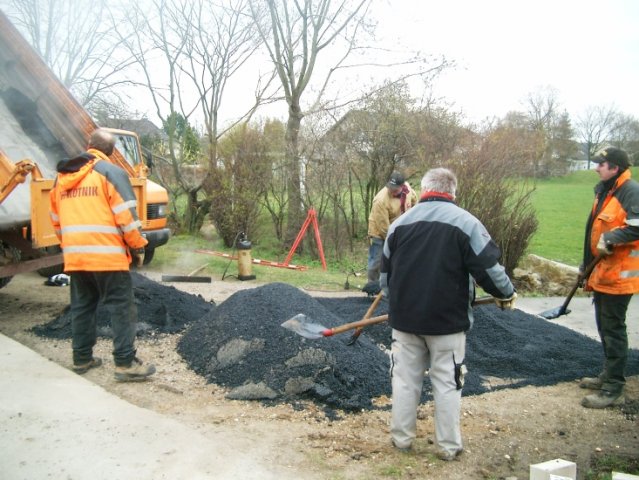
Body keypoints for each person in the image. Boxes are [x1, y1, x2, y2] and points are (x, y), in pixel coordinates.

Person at [380, 167, 516, 460]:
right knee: (447, 382)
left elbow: (384, 279)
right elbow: (489, 268)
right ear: (453, 192)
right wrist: (506, 293)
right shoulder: (466, 223)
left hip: (404, 321)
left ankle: (401, 440)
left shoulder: (399, 225)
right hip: (447, 322)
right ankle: (448, 447)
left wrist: (397, 304)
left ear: (424, 189)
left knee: (404, 380)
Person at [49, 128, 156, 382]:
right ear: (111, 152)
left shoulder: (62, 178)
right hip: (108, 257)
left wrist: (72, 245)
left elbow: (55, 220)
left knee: (82, 306)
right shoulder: (111, 173)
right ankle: (125, 363)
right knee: (121, 307)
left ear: (89, 145)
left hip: (76, 257)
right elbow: (127, 217)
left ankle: (82, 358)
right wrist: (138, 246)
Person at [578, 146, 639, 409]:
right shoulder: (605, 190)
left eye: (601, 164)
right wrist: (585, 266)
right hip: (602, 270)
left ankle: (614, 387)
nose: (596, 167)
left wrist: (612, 239)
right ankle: (607, 375)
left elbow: (636, 227)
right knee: (604, 325)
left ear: (614, 167)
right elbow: (592, 229)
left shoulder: (630, 191)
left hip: (620, 275)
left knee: (613, 329)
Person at [363, 171, 417, 296]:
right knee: (376, 261)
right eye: (390, 188)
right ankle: (372, 289)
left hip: (398, 229)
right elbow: (384, 229)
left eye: (395, 190)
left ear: (402, 186)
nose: (391, 191)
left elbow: (415, 202)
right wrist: (395, 242)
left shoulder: (408, 189)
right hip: (379, 232)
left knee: (398, 260)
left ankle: (393, 289)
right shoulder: (380, 200)